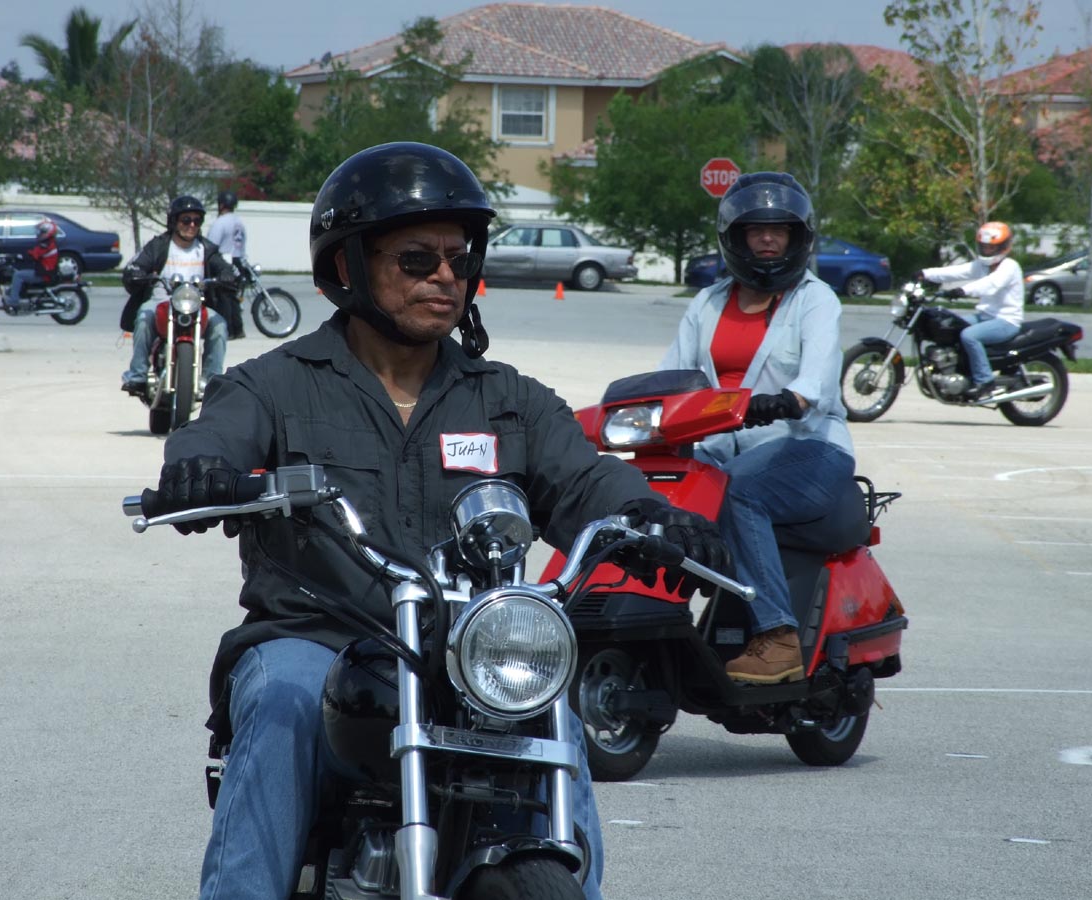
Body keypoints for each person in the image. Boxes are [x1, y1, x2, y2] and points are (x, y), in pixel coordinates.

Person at [146, 142, 729, 900]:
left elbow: (586, 477)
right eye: (418, 259)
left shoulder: (508, 399)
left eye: (459, 259)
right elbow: (214, 435)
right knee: (282, 695)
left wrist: (652, 516)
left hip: (467, 653)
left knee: (548, 708)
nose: (446, 277)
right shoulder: (276, 385)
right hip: (318, 640)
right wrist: (199, 468)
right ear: (349, 265)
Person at [659, 171, 855, 685]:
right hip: (720, 448)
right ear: (735, 237)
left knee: (738, 492)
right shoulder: (707, 302)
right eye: (755, 230)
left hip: (806, 445)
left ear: (797, 237)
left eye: (779, 230)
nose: (768, 239)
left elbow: (817, 377)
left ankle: (778, 635)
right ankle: (651, 622)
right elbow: (671, 375)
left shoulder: (815, 300)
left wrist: (788, 399)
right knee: (642, 496)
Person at [119, 196, 233, 394]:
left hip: (196, 304)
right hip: (161, 302)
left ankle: (211, 381)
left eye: (197, 221)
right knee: (144, 317)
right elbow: (138, 264)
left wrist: (227, 274)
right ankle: (137, 375)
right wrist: (137, 272)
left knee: (220, 325)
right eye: (186, 220)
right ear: (174, 221)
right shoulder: (159, 245)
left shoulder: (206, 249)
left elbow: (224, 267)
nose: (191, 225)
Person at [920, 221, 1023, 401]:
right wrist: (925, 274)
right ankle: (960, 373)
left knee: (969, 335)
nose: (987, 250)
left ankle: (985, 381)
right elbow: (956, 271)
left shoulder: (1010, 266)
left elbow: (990, 284)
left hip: (1006, 321)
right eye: (984, 246)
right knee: (950, 327)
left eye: (992, 247)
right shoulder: (982, 266)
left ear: (1003, 247)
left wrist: (963, 290)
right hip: (985, 317)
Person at [206, 190, 248, 339]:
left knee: (223, 297)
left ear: (221, 205)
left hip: (224, 261)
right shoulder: (239, 222)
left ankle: (228, 330)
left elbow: (211, 245)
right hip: (238, 260)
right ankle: (238, 328)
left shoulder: (220, 222)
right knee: (233, 297)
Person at [5, 219, 59, 312]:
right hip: (44, 271)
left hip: (44, 274)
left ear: (47, 232)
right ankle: (17, 293)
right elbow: (33, 252)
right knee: (19, 271)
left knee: (18, 275)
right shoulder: (48, 243)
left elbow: (34, 255)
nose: (38, 234)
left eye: (40, 232)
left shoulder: (46, 245)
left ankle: (13, 301)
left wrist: (18, 256)